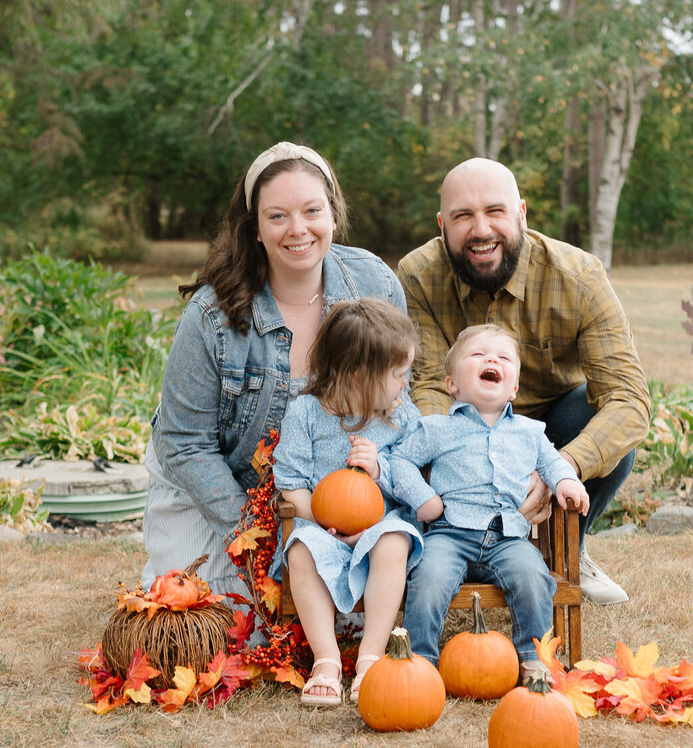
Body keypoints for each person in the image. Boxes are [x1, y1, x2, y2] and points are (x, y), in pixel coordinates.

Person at [140, 142, 406, 605]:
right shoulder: (212, 315)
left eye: (311, 210)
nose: (298, 229)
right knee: (215, 616)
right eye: (277, 216)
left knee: (351, 611)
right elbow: (184, 441)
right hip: (220, 489)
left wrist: (366, 499)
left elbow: (400, 397)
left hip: (333, 489)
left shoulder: (375, 284)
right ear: (255, 229)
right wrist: (257, 528)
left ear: (334, 214)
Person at [396, 157, 650, 606]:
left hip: (552, 430)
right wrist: (460, 456)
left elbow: (629, 399)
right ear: (442, 225)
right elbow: (433, 386)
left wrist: (562, 467)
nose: (481, 230)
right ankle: (453, 543)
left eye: (495, 211)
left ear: (521, 213)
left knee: (605, 421)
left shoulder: (579, 276)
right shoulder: (417, 276)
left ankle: (570, 548)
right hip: (464, 428)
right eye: (462, 216)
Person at [385, 324, 589, 675]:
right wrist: (424, 498)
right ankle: (419, 664)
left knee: (534, 577)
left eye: (503, 357)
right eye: (478, 355)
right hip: (449, 533)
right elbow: (399, 461)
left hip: (509, 537)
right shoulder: (437, 428)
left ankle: (533, 660)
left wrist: (567, 481)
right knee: (428, 578)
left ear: (513, 388)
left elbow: (552, 462)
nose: (491, 358)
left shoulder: (530, 432)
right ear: (452, 384)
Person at [273, 298, 423, 706]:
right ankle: (327, 660)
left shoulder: (400, 415)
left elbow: (413, 479)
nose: (405, 384)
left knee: (394, 540)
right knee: (300, 550)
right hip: (321, 526)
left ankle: (372, 656)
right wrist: (325, 524)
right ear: (360, 377)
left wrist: (380, 471)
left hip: (381, 524)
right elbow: (291, 484)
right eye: (398, 375)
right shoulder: (306, 412)